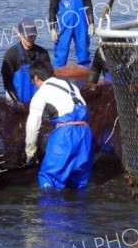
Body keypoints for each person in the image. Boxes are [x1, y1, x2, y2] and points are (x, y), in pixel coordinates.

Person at [25, 60, 94, 189]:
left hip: (65, 134)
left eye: (32, 81)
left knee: (49, 180)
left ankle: (50, 208)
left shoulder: (41, 93)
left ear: (36, 78)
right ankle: (81, 207)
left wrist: (30, 152)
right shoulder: (71, 86)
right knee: (79, 183)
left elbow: (33, 126)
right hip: (85, 133)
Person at [49, 0, 95, 68]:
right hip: (64, 25)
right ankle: (57, 77)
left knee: (83, 51)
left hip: (81, 25)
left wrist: (91, 23)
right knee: (61, 52)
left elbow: (88, 5)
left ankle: (84, 77)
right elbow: (52, 9)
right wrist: (52, 28)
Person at [1, 17, 52, 106]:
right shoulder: (11, 54)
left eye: (32, 36)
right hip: (16, 101)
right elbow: (7, 83)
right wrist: (17, 102)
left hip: (38, 102)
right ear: (20, 34)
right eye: (26, 36)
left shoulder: (43, 53)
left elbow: (50, 79)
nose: (30, 39)